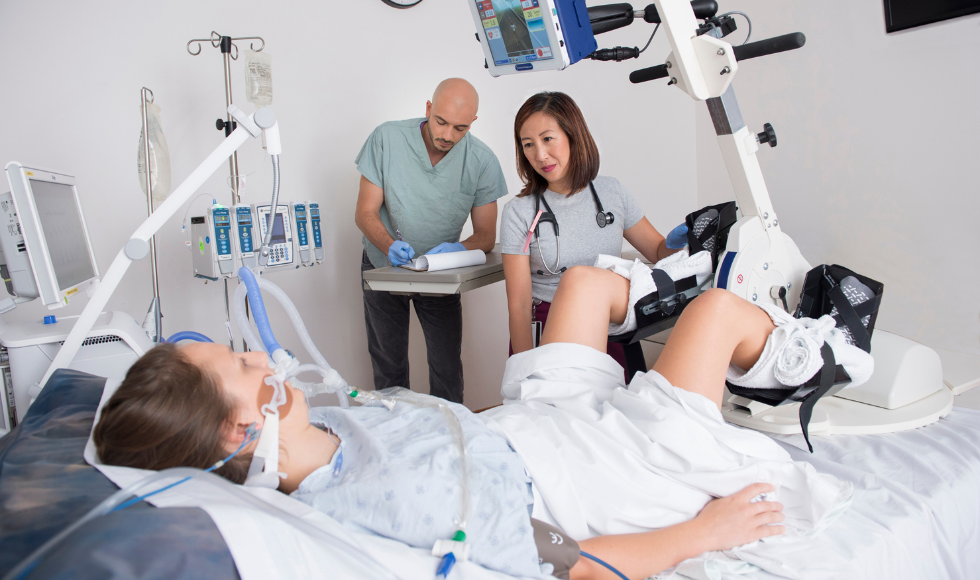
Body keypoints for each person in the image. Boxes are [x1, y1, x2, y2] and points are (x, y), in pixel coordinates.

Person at [94, 269, 798, 580]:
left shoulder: (331, 426)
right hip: (601, 468)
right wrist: (704, 535)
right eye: (241, 368)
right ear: (237, 434)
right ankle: (819, 352)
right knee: (713, 311)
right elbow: (575, 563)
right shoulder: (398, 502)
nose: (257, 355)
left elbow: (448, 431)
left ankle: (686, 297)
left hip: (536, 424)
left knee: (582, 285)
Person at [500, 92, 690, 380]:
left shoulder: (612, 192)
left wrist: (678, 243)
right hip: (550, 328)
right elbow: (519, 304)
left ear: (573, 135)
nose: (540, 155)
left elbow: (657, 251)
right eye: (528, 145)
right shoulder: (520, 211)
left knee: (613, 417)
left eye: (547, 139)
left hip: (611, 326)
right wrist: (527, 372)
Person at [354, 78, 507, 403]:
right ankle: (397, 440)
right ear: (428, 109)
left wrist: (458, 249)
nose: (447, 136)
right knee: (389, 366)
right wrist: (387, 245)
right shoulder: (387, 139)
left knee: (447, 366)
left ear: (473, 124)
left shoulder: (481, 161)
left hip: (439, 274)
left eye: (460, 128)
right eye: (441, 122)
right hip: (384, 266)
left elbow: (486, 236)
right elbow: (365, 213)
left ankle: (452, 440)